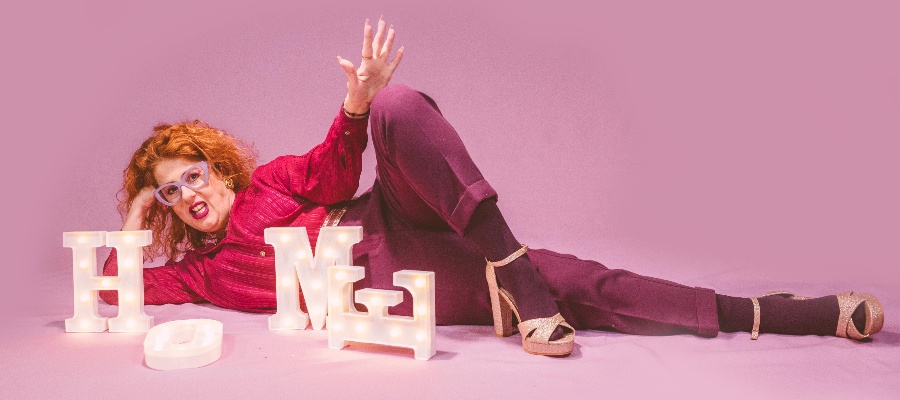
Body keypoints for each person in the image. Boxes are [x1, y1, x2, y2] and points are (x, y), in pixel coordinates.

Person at [100, 17, 883, 356]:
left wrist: (357, 103)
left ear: (218, 169)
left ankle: (512, 268)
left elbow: (336, 170)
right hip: (393, 284)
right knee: (587, 287)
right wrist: (135, 216)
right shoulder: (198, 273)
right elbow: (110, 287)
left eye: (191, 175)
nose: (188, 194)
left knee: (398, 106)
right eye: (168, 193)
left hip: (385, 217)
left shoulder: (270, 182)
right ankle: (787, 313)